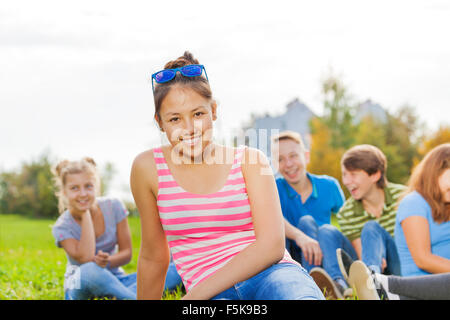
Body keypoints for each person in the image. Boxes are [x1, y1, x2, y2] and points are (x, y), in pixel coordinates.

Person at [130, 51, 324, 300]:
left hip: (274, 276)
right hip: (213, 294)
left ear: (213, 110)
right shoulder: (147, 168)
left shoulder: (250, 161)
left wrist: (192, 298)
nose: (189, 129)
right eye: (175, 119)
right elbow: (153, 255)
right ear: (160, 122)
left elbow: (272, 246)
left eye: (198, 114)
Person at [52, 157, 181, 300]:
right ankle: (133, 297)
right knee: (90, 269)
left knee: (178, 266)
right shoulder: (62, 226)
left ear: (96, 186)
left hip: (119, 282)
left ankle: (125, 296)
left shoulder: (113, 206)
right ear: (64, 192)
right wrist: (85, 213)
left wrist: (108, 261)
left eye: (88, 186)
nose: (83, 193)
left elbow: (127, 253)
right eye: (74, 188)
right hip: (80, 284)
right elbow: (86, 259)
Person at [319, 145, 406, 294]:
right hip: (371, 263)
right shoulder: (347, 212)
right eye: (344, 174)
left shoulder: (403, 197)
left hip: (402, 262)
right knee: (325, 231)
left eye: (352, 174)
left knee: (371, 227)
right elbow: (362, 254)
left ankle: (371, 282)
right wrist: (375, 259)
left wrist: (382, 253)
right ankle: (341, 285)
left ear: (375, 175)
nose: (346, 181)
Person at [271, 131, 347, 298]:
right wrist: (300, 236)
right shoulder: (273, 187)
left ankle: (335, 283)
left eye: (293, 156)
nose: (288, 164)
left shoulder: (329, 185)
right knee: (304, 223)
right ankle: (312, 284)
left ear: (306, 156)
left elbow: (349, 223)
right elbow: (271, 218)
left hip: (328, 254)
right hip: (295, 258)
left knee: (327, 230)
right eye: (280, 159)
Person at [394, 143, 450, 277]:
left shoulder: (446, 204)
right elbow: (423, 259)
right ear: (436, 172)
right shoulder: (414, 203)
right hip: (423, 285)